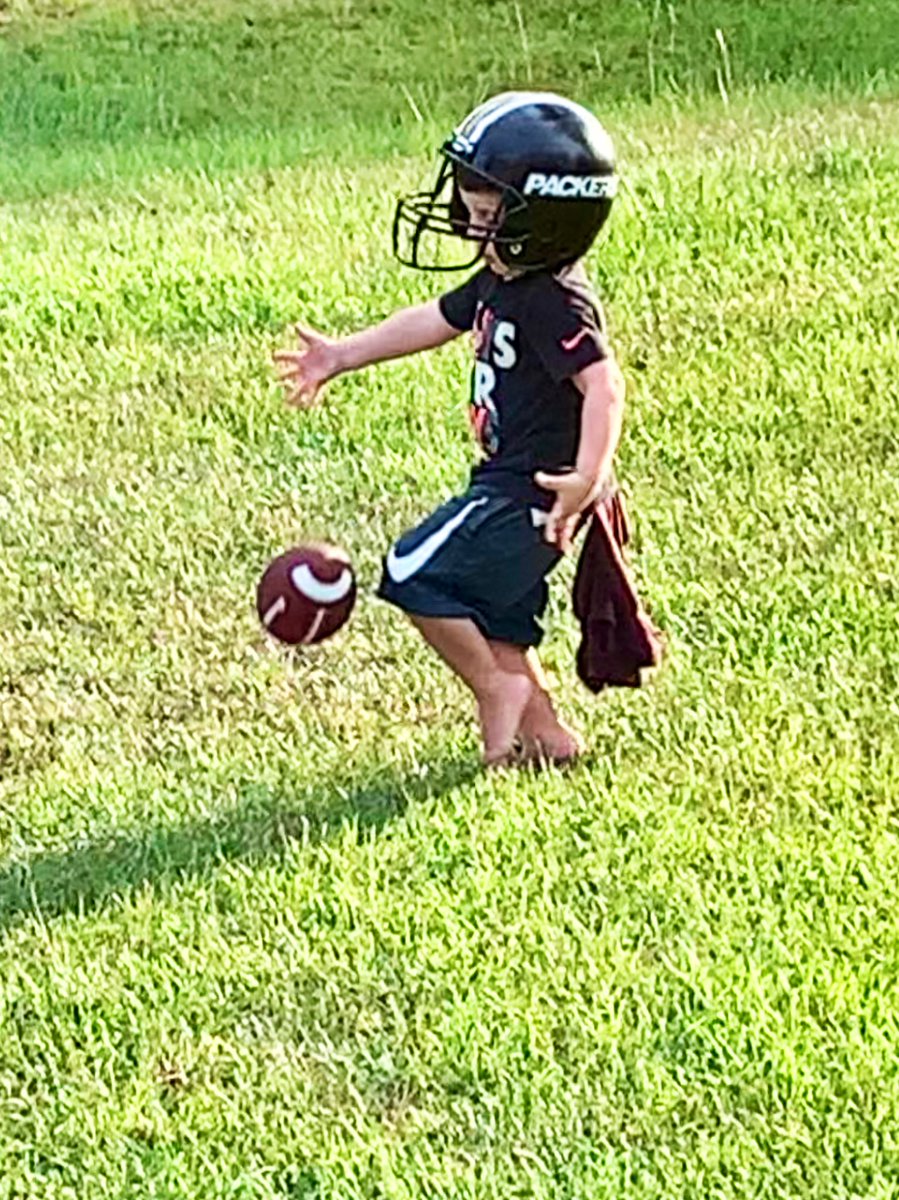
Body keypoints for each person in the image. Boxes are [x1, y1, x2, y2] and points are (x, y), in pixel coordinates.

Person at [274, 91, 625, 767]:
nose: (468, 226)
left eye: (487, 215)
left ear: (544, 222)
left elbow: (604, 384)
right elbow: (436, 318)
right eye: (468, 207)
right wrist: (343, 353)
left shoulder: (553, 300)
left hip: (536, 487)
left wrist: (584, 475)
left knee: (416, 571)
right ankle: (548, 739)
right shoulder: (504, 276)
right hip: (516, 479)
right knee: (493, 616)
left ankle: (493, 688)